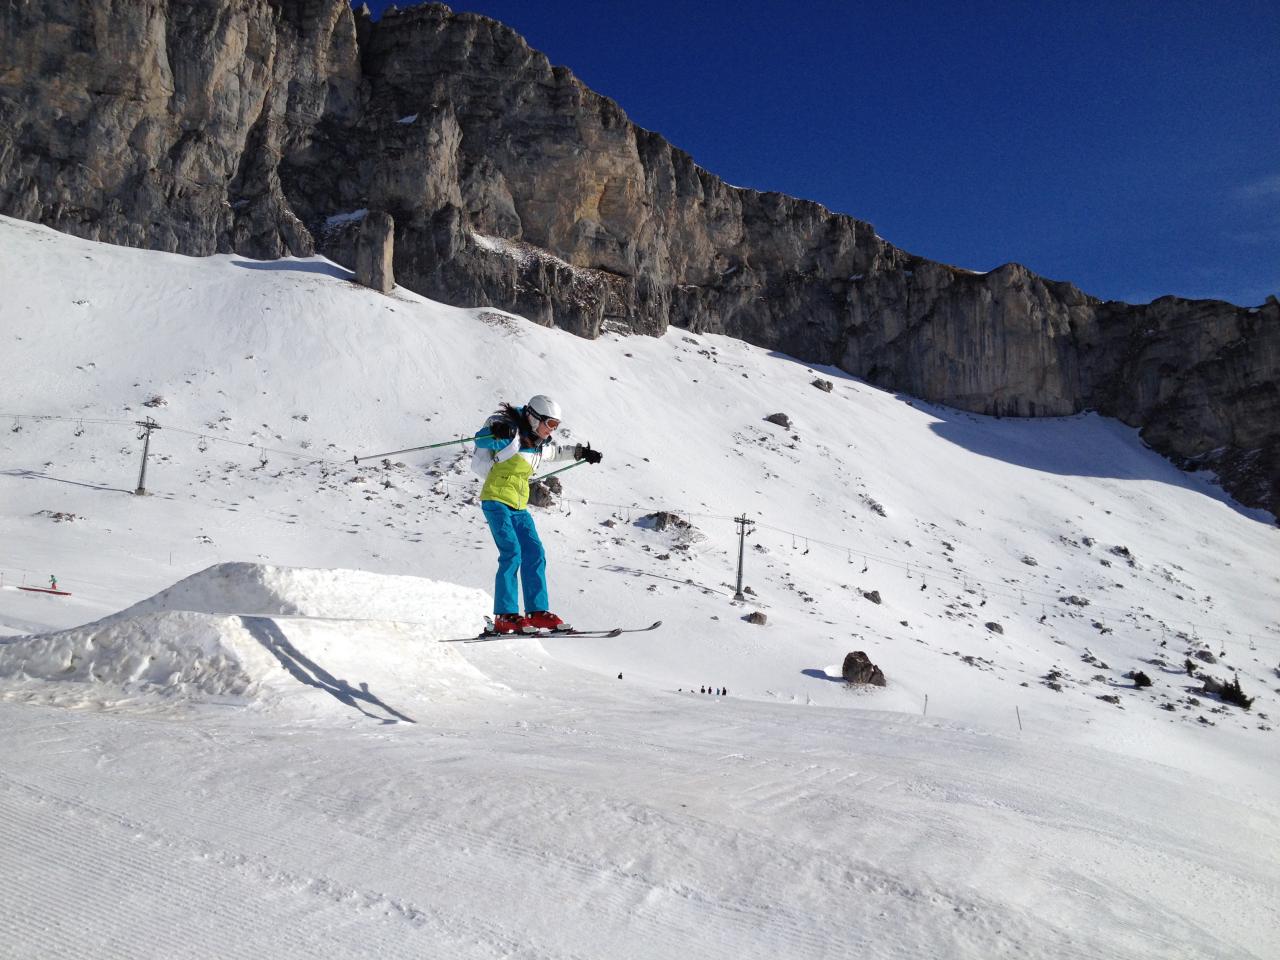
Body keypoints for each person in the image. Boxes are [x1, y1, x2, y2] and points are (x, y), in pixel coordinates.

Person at [475, 395, 602, 634]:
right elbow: (482, 440)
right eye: (550, 423)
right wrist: (497, 431)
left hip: (519, 506)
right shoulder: (510, 436)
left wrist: (582, 453)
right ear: (534, 418)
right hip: (495, 500)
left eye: (557, 425)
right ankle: (505, 615)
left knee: (535, 553)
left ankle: (536, 613)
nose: (552, 429)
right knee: (512, 552)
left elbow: (556, 453)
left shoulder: (537, 445)